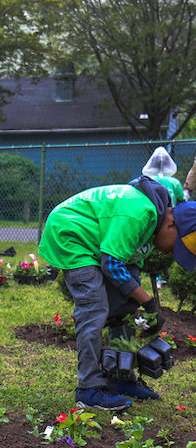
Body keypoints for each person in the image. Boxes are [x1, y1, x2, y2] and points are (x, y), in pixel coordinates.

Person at [39, 176, 196, 411]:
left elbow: (128, 267)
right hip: (71, 233)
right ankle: (89, 388)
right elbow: (111, 265)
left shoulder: (151, 222)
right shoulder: (139, 214)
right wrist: (149, 302)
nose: (171, 253)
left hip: (93, 242)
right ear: (171, 223)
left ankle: (120, 377)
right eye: (176, 247)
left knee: (124, 305)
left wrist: (136, 303)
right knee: (94, 306)